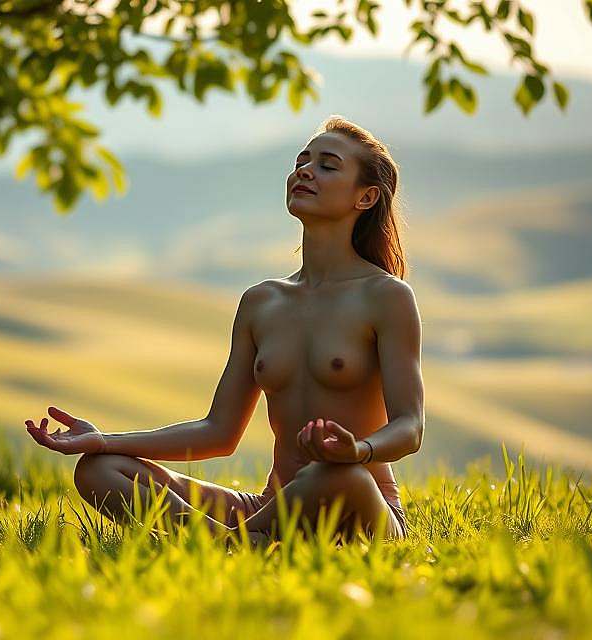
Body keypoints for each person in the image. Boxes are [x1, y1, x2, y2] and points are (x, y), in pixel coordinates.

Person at [25, 114, 424, 545]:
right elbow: (218, 432)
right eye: (302, 160)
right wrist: (104, 441)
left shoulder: (386, 297)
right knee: (99, 469)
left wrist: (358, 452)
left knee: (339, 477)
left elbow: (410, 427)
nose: (304, 171)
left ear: (365, 198)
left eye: (328, 165)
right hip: (270, 505)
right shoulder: (262, 301)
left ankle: (219, 544)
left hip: (355, 503)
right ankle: (240, 543)